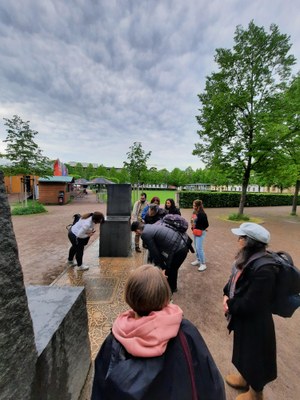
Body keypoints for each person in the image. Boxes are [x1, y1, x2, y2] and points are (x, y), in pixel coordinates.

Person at [91, 264, 226, 400]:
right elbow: (211, 382)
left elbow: (100, 389)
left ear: (129, 296)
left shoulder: (114, 340)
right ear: (165, 296)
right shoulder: (186, 331)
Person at [223, 223, 277, 400]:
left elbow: (252, 303)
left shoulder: (265, 269)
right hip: (245, 318)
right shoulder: (248, 257)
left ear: (249, 242)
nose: (238, 240)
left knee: (256, 356)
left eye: (241, 237)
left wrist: (230, 304)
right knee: (243, 351)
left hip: (257, 323)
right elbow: (234, 280)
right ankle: (244, 378)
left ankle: (256, 393)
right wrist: (226, 293)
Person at [131, 219, 192, 293]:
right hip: (183, 242)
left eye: (135, 232)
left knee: (171, 269)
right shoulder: (149, 226)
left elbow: (154, 252)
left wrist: (162, 266)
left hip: (180, 249)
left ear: (137, 230)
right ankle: (172, 288)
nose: (136, 234)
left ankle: (170, 290)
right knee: (172, 269)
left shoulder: (145, 234)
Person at [190, 199, 209, 271]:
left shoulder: (202, 214)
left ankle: (203, 264)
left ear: (198, 206)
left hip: (200, 232)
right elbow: (193, 220)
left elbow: (206, 224)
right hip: (195, 231)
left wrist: (201, 228)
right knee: (196, 246)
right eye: (193, 205)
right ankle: (198, 260)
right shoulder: (195, 212)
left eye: (194, 205)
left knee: (199, 248)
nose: (193, 206)